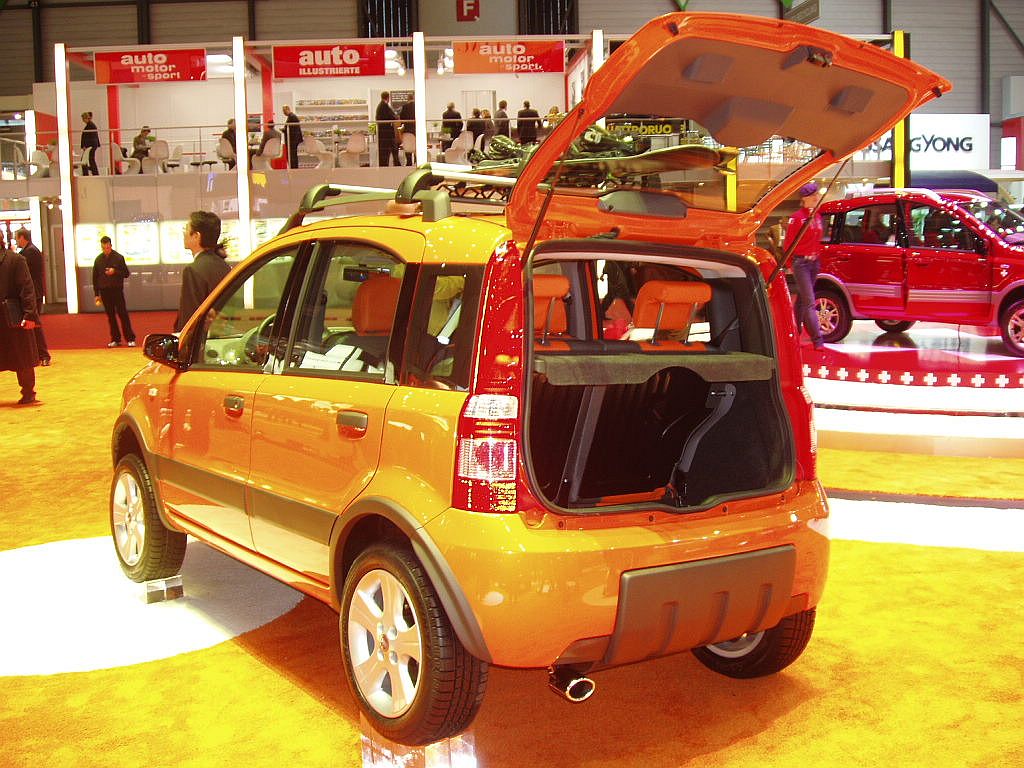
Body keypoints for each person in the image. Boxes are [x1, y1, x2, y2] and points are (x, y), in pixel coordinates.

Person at [783, 182, 826, 350]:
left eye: (816, 194)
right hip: (801, 263)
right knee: (809, 301)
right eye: (813, 195)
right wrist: (789, 264)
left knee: (802, 300)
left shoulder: (817, 216)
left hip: (814, 262)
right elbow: (788, 243)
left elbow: (817, 241)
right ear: (804, 199)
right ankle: (817, 339)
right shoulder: (797, 218)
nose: (816, 197)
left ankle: (795, 332)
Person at [0, 233, 40, 405]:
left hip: (12, 316)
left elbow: (27, 288)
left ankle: (28, 392)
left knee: (21, 356)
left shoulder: (16, 260)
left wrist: (30, 314)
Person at [175, 211, 231, 332]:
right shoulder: (224, 266)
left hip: (201, 341)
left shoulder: (193, 270)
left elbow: (190, 317)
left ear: (196, 236)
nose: (184, 234)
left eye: (186, 229)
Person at [14, 228, 50, 366]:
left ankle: (43, 355)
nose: (16, 241)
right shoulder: (30, 251)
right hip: (33, 293)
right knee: (33, 324)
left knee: (34, 323)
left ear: (23, 237)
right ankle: (38, 354)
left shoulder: (29, 253)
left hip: (32, 294)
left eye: (17, 238)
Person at [92, 236, 136, 347]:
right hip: (104, 291)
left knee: (122, 314)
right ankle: (115, 339)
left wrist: (115, 271)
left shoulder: (118, 258)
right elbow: (95, 278)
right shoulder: (98, 260)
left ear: (111, 246)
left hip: (117, 290)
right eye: (103, 248)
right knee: (110, 316)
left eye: (107, 247)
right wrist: (96, 294)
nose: (105, 250)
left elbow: (126, 273)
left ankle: (130, 338)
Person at [374, 92, 400, 167]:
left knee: (386, 152)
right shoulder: (384, 106)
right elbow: (392, 117)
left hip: (383, 133)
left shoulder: (380, 105)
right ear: (388, 98)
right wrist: (396, 117)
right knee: (390, 150)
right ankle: (396, 164)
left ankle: (395, 164)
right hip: (386, 133)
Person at [398, 95, 417, 166]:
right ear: (413, 98)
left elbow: (402, 119)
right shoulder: (418, 106)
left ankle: (409, 162)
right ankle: (416, 161)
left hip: (407, 130)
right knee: (416, 147)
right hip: (416, 130)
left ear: (408, 99)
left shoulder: (404, 107)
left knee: (407, 146)